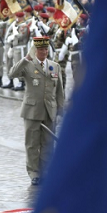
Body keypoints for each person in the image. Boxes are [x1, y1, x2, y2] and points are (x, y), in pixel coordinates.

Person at [9, 36, 64, 186]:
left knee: (47, 144)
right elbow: (12, 73)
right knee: (32, 144)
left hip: (49, 110)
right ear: (35, 50)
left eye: (46, 49)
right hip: (32, 111)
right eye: (40, 49)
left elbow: (59, 91)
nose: (44, 52)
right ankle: (34, 173)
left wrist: (60, 110)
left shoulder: (54, 66)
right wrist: (25, 59)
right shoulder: (28, 65)